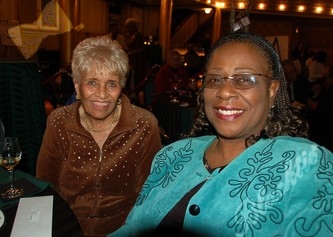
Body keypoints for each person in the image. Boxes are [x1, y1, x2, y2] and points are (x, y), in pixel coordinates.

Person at [109, 31, 333, 237]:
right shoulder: (172, 156)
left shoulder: (307, 164)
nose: (225, 92)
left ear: (272, 90)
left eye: (244, 79)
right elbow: (132, 228)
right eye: (215, 79)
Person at [36, 36, 162, 236]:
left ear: (121, 86)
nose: (102, 94)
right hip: (67, 224)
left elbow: (148, 194)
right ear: (77, 86)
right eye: (92, 83)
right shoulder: (59, 121)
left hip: (122, 228)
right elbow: (46, 184)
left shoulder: (144, 125)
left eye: (111, 84)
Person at [125, 18, 147, 96]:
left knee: (137, 80)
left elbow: (140, 49)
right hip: (133, 62)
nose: (127, 29)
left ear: (133, 27)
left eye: (128, 27)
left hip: (138, 62)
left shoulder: (138, 36)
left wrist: (129, 53)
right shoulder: (131, 36)